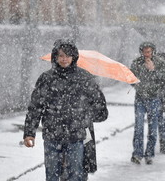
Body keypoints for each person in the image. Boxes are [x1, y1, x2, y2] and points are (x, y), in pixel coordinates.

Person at [23, 40, 108, 181]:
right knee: (52, 175)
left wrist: (83, 116)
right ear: (55, 57)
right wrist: (29, 133)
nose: (64, 59)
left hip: (76, 137)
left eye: (68, 55)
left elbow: (101, 109)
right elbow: (35, 107)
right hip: (52, 135)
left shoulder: (84, 77)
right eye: (61, 55)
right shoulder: (47, 78)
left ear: (74, 57)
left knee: (75, 175)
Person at [130, 42, 165, 165]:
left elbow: (164, 79)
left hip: (154, 98)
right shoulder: (136, 63)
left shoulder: (160, 62)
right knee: (139, 127)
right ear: (141, 52)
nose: (147, 54)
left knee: (152, 128)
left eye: (149, 52)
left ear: (153, 51)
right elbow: (130, 77)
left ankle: (149, 154)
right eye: (145, 52)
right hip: (140, 98)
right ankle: (137, 153)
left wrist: (153, 70)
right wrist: (136, 84)